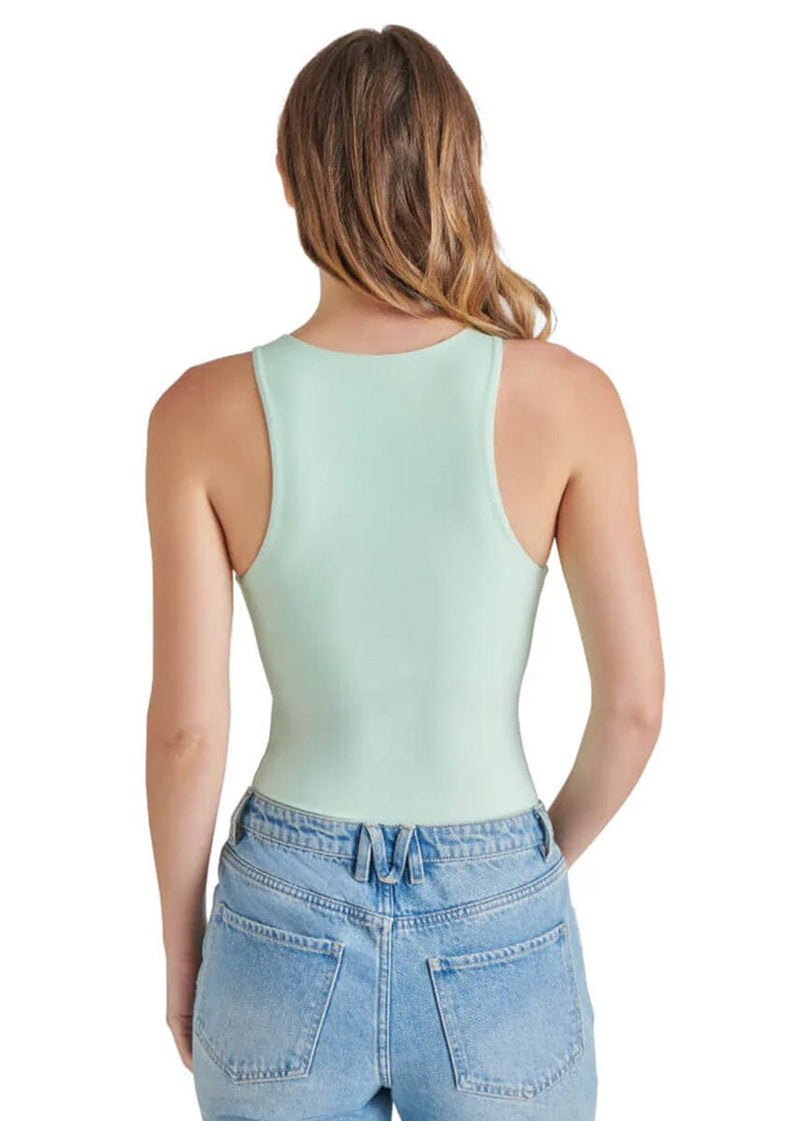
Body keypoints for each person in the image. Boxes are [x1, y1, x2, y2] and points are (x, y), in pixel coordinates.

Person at [145, 24, 664, 1121]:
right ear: (459, 162)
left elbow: (187, 732)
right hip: (496, 895)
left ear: (289, 176)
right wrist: (522, 872)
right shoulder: (571, 399)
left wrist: (185, 946)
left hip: (280, 911)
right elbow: (633, 708)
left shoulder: (199, 413)